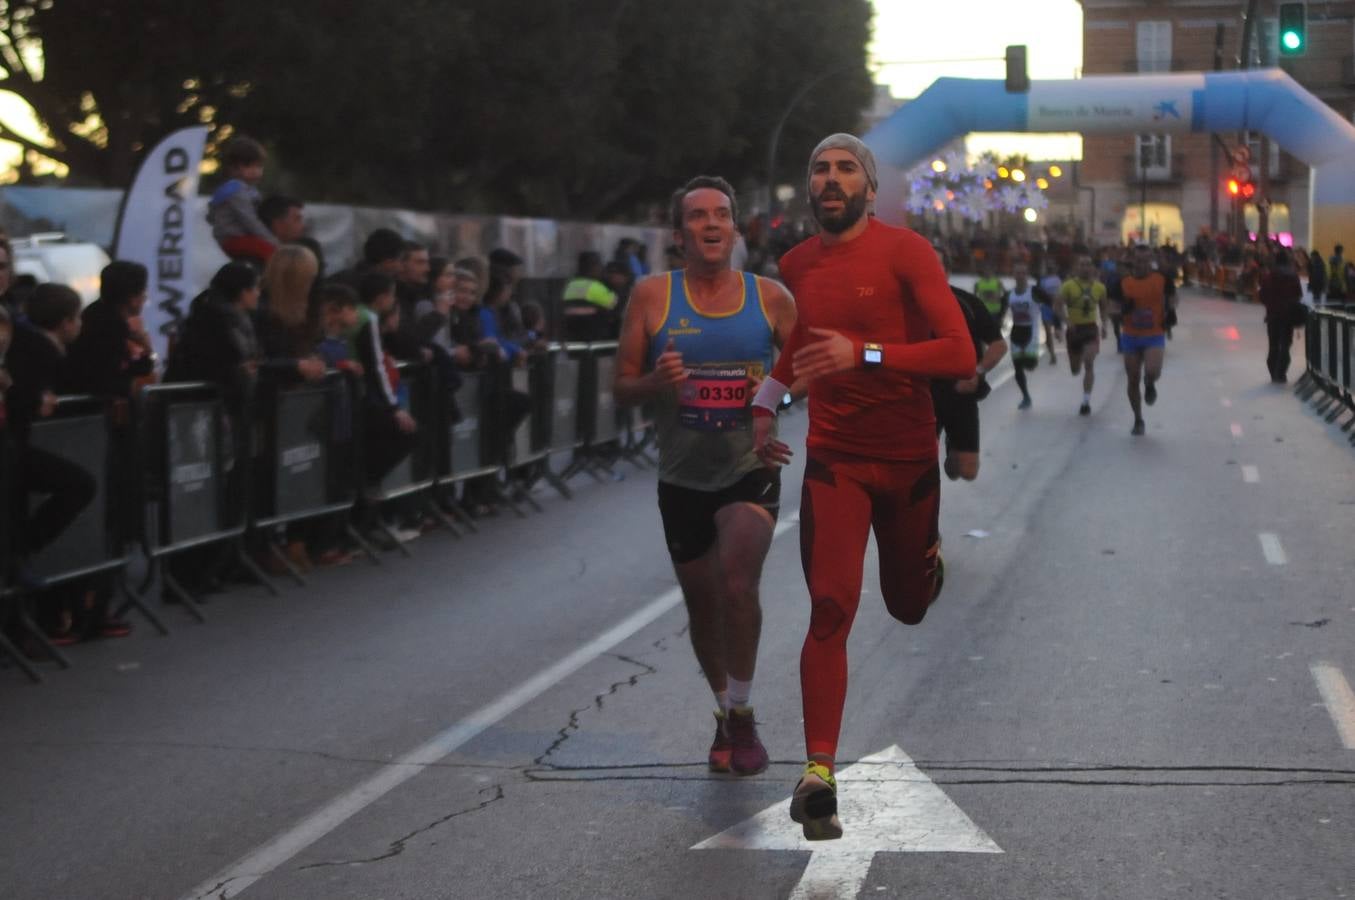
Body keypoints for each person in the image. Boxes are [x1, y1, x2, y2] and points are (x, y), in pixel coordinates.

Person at [749, 134, 974, 841]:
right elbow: (804, 341)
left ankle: (925, 568)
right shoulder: (795, 264)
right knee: (829, 606)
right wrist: (766, 401)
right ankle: (818, 773)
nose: (832, 178)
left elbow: (958, 353)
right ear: (810, 188)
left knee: (906, 607)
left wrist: (867, 353)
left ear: (869, 189)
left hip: (906, 459)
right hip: (834, 460)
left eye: (846, 168)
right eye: (820, 168)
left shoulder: (906, 252)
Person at [615, 175, 796, 778]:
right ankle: (722, 710)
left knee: (739, 583)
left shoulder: (770, 297)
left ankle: (743, 714)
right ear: (679, 234)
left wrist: (770, 395)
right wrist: (654, 384)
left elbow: (808, 373)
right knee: (702, 603)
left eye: (722, 214)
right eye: (698, 216)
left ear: (736, 230)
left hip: (750, 466)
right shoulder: (651, 296)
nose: (712, 224)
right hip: (682, 475)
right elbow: (620, 387)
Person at [933, 252, 1006, 480]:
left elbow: (998, 345)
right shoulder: (906, 303)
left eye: (937, 266)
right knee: (918, 467)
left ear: (947, 271)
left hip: (960, 392)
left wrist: (978, 372)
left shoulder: (967, 303)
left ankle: (952, 446)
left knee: (966, 471)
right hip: (922, 397)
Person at [66, 261, 156, 399]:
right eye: (143, 293)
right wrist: (145, 344)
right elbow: (137, 369)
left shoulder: (94, 313)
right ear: (133, 298)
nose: (144, 299)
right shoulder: (112, 326)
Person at [1117, 245, 1175, 435]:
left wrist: (1170, 311)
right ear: (1133, 260)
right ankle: (1138, 419)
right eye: (1138, 260)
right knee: (1132, 378)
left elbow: (1172, 297)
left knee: (1152, 370)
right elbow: (1110, 306)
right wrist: (1122, 309)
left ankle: (1149, 384)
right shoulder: (1123, 282)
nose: (1142, 264)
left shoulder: (1161, 279)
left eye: (1146, 260)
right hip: (1131, 336)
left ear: (1151, 261)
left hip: (1153, 334)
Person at [1053, 255, 1110, 416]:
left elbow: (1104, 308)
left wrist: (1104, 325)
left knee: (1089, 362)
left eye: (1088, 265)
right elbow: (1057, 306)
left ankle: (1086, 401)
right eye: (1082, 265)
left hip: (1090, 329)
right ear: (1077, 268)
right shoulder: (1068, 286)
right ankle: (1076, 362)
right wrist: (1066, 320)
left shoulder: (1100, 288)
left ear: (1092, 268)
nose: (1085, 268)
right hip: (1074, 330)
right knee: (1075, 369)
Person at [206, 136, 278, 264]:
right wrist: (273, 241)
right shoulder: (236, 191)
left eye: (259, 166)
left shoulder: (248, 190)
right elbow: (249, 220)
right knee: (272, 253)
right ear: (234, 168)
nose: (255, 171)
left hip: (240, 237)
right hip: (234, 238)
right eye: (249, 166)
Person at [1259, 249, 1303, 384]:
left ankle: (1273, 373)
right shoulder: (1293, 276)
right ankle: (1281, 373)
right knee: (1285, 345)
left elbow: (1262, 295)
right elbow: (1298, 294)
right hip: (1288, 315)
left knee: (1273, 344)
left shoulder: (1269, 276)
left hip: (1273, 316)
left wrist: (1270, 304)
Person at [1006, 261, 1042, 410]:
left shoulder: (1034, 292)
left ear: (1027, 276)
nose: (1020, 276)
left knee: (1030, 364)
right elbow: (1001, 313)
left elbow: (1051, 303)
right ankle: (1026, 396)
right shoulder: (1009, 294)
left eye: (1023, 273)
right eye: (1017, 273)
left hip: (1031, 332)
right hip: (1016, 332)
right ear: (1013, 275)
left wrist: (1057, 324)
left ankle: (1031, 360)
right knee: (1018, 367)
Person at [561, 251, 619, 342]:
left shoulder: (570, 285)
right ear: (593, 267)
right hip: (596, 338)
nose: (601, 269)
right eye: (599, 265)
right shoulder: (596, 287)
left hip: (572, 337)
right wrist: (613, 285)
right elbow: (615, 305)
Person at [1033, 260, 1062, 364]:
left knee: (1057, 333)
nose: (1050, 269)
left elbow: (1062, 293)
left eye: (1052, 267)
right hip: (1046, 308)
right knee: (1048, 333)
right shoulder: (1042, 280)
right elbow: (1039, 294)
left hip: (1057, 307)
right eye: (1049, 267)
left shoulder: (1059, 279)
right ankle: (1052, 354)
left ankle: (1058, 332)